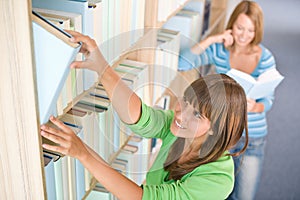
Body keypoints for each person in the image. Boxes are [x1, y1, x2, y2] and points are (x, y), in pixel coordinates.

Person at [40, 30, 249, 200]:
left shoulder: (218, 179)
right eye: (185, 100)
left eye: (196, 114)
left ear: (216, 127)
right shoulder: (177, 129)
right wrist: (100, 64)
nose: (180, 114)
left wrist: (83, 154)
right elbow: (140, 117)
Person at [178, 1, 277, 199]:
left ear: (257, 31)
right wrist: (211, 39)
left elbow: (269, 100)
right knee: (213, 193)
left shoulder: (265, 57)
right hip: (221, 134)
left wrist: (255, 106)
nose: (243, 35)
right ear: (232, 25)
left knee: (243, 197)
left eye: (250, 30)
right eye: (240, 27)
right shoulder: (220, 51)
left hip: (252, 138)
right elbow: (182, 63)